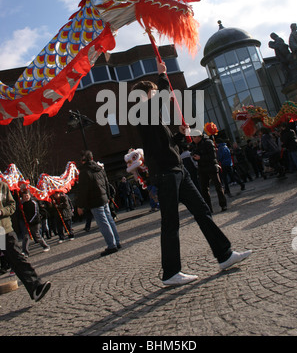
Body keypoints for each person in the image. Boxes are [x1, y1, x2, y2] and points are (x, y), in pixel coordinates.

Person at [131, 58, 251, 286]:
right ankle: (170, 273)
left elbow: (163, 146)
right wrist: (162, 75)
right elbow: (163, 98)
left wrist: (178, 135)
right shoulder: (141, 111)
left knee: (202, 210)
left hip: (177, 170)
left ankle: (224, 254)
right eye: (153, 92)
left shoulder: (152, 116)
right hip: (167, 174)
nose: (157, 95)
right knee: (170, 222)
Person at [0, 180, 51, 301]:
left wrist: (2, 211)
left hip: (3, 230)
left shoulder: (2, 186)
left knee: (17, 258)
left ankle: (36, 287)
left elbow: (12, 205)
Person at [77, 151, 121, 256]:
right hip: (104, 198)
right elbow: (106, 183)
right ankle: (117, 241)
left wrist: (80, 205)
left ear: (83, 160)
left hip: (95, 201)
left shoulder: (84, 172)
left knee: (103, 223)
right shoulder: (100, 169)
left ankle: (112, 245)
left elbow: (83, 190)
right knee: (109, 220)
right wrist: (109, 196)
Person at [191, 131, 227, 212]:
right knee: (204, 189)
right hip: (202, 168)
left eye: (193, 137)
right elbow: (194, 154)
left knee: (218, 186)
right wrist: (194, 156)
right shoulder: (195, 145)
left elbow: (212, 156)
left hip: (211, 167)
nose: (192, 140)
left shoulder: (208, 142)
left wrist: (200, 158)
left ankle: (223, 204)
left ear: (198, 137)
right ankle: (208, 208)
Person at [19, 190, 50, 255]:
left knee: (37, 235)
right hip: (27, 222)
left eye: (27, 195)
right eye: (24, 196)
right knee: (26, 236)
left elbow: (36, 213)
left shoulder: (34, 203)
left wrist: (30, 221)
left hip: (35, 222)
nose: (26, 197)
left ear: (29, 195)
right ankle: (25, 251)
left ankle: (45, 246)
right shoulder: (23, 204)